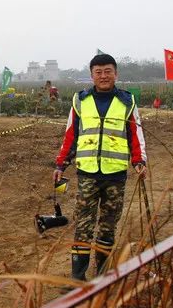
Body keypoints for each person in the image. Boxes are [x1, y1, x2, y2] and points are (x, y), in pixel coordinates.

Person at [53, 53, 146, 281]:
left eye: (108, 71)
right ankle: (78, 277)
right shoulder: (80, 101)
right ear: (92, 75)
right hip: (88, 174)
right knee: (83, 225)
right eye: (98, 72)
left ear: (116, 73)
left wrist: (139, 160)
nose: (103, 76)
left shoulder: (127, 102)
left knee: (108, 226)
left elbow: (135, 134)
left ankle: (103, 275)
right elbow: (71, 135)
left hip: (115, 175)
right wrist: (61, 163)